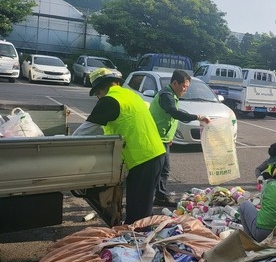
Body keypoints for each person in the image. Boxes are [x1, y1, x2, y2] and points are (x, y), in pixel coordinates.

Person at [72, 68, 166, 224]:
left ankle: (135, 243)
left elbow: (83, 133)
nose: (98, 97)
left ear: (102, 88)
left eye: (97, 93)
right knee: (141, 207)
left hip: (143, 159)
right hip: (155, 154)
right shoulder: (130, 95)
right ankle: (138, 238)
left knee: (138, 213)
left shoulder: (109, 101)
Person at [149, 69, 210, 206]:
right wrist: (197, 117)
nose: (185, 90)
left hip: (163, 138)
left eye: (187, 87)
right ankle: (148, 199)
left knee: (164, 169)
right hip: (156, 137)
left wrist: (170, 137)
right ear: (175, 83)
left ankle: (160, 197)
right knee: (157, 171)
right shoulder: (166, 95)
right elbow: (175, 113)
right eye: (184, 86)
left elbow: (171, 117)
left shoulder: (172, 95)